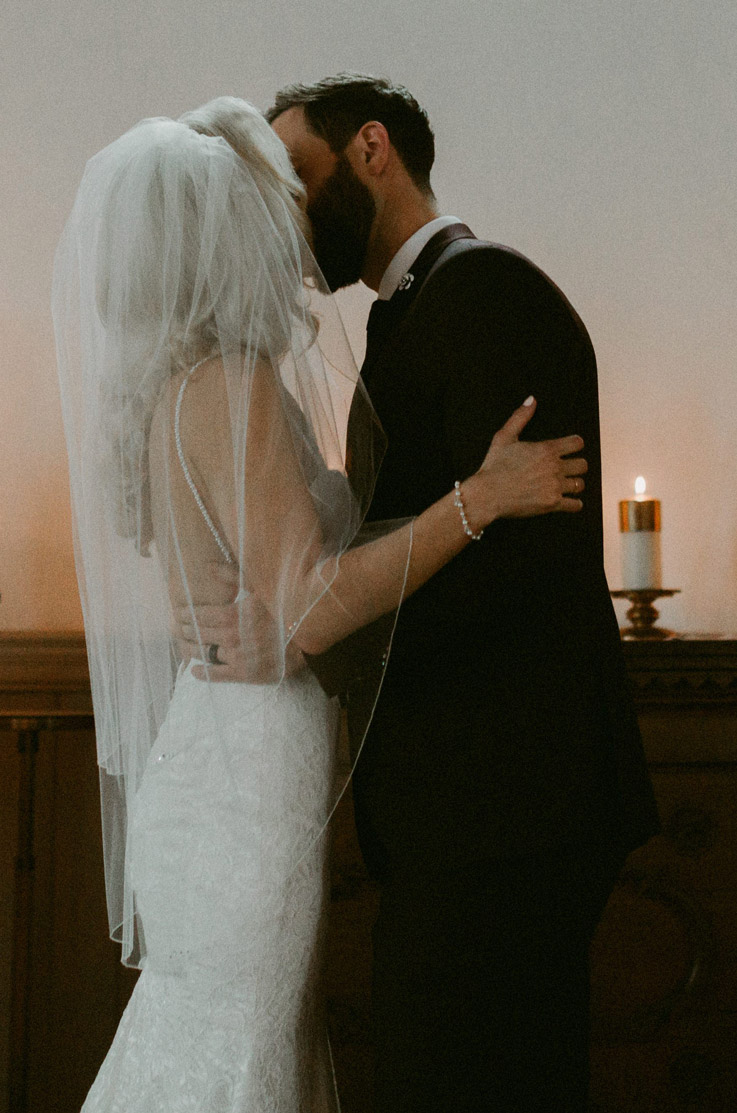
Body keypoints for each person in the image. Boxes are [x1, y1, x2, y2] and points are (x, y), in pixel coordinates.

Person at [53, 95, 587, 1112]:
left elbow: (278, 588)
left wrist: (303, 603)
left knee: (219, 1041)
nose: (289, 218)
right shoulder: (231, 380)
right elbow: (304, 606)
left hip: (219, 757)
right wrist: (476, 501)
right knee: (238, 1051)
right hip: (246, 782)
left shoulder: (180, 381)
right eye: (273, 194)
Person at [181, 75, 661, 1112]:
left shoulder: (488, 293)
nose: (281, 209)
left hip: (510, 806)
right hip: (466, 809)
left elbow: (516, 572)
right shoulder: (408, 312)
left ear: (370, 150)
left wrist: (308, 632)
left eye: (294, 174)